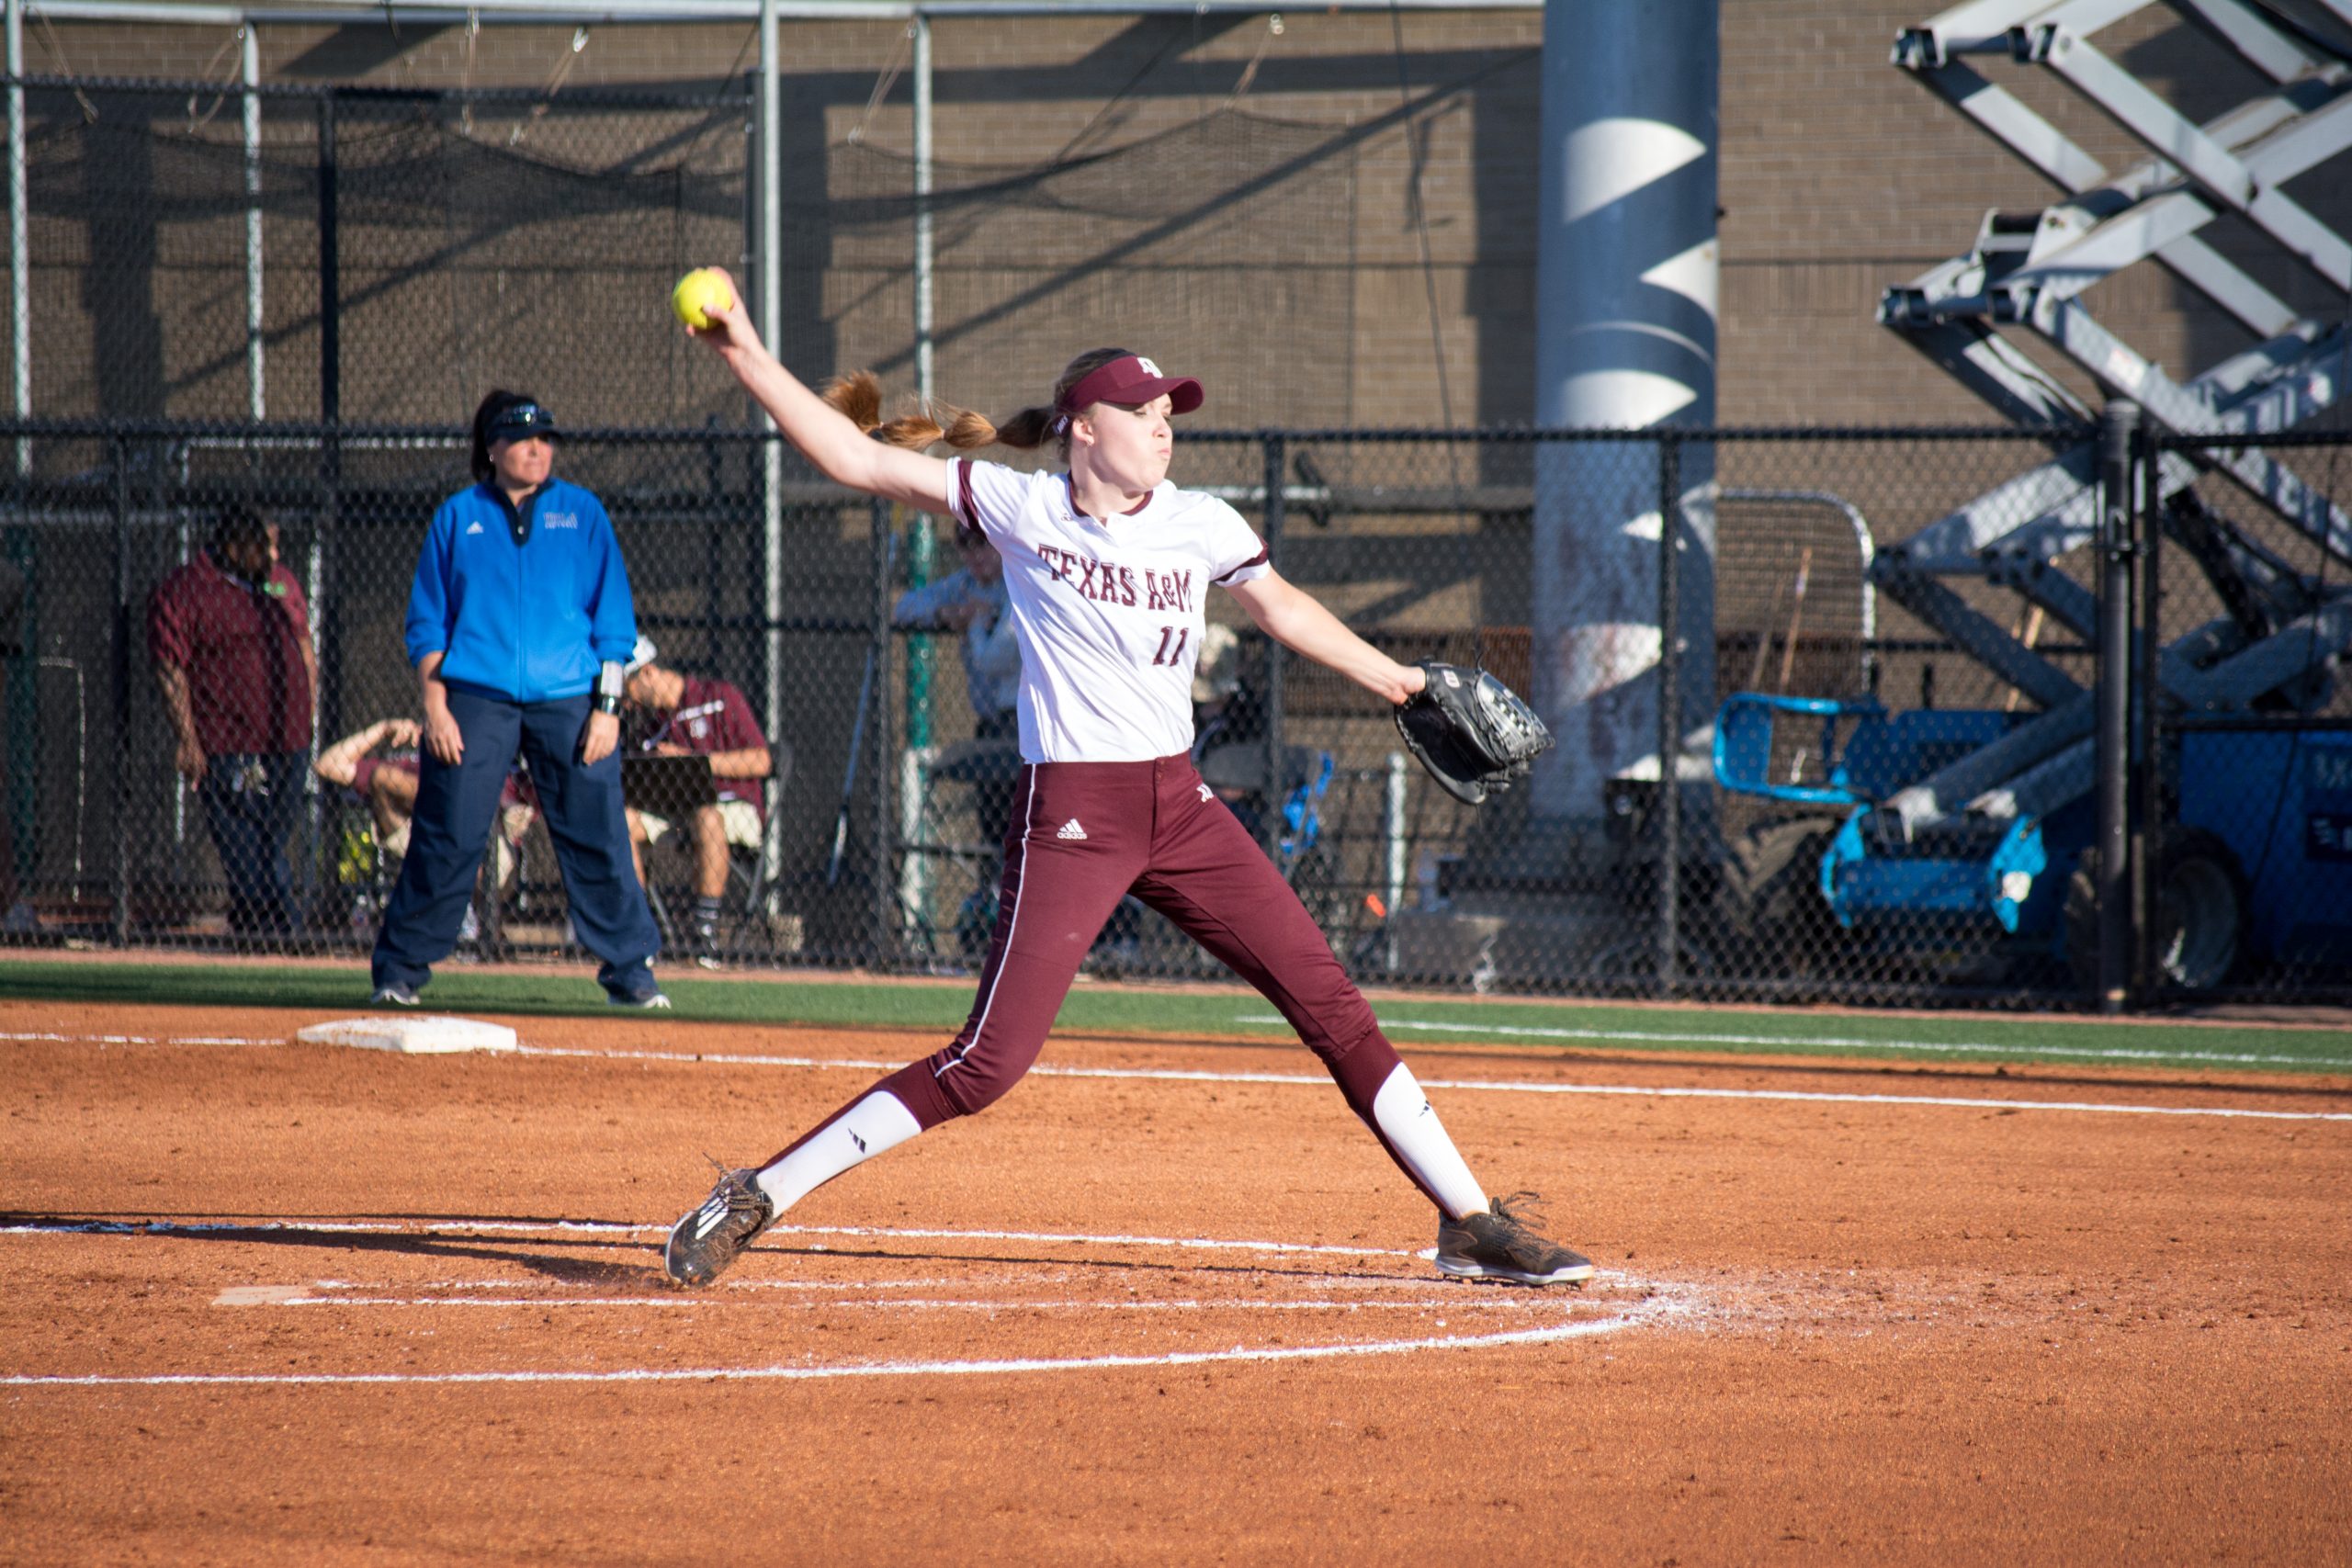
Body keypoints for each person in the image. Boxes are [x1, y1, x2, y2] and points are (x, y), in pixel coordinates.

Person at [659, 271, 1592, 1291]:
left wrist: (1402, 682)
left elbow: (1282, 609)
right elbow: (848, 454)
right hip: (1074, 815)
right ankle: (755, 1193)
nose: (1164, 429)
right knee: (986, 1065)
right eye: (1142, 413)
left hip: (1180, 808)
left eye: (1168, 414)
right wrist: (740, 345)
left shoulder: (1199, 522)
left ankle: (1470, 1218)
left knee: (1331, 1003)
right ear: (1082, 429)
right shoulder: (1019, 506)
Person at [368, 390, 667, 1010]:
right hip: (476, 697)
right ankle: (399, 971)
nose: (538, 449)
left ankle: (632, 974)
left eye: (545, 439)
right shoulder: (457, 517)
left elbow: (614, 622)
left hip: (571, 700)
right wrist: (436, 705)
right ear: (492, 447)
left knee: (598, 832)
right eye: (522, 438)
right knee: (448, 831)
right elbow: (427, 623)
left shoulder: (583, 514)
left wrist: (608, 709)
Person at [146, 505, 317, 937]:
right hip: (231, 742)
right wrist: (188, 741)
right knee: (245, 840)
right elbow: (170, 669)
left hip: (288, 738)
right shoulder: (186, 591)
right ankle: (276, 929)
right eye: (260, 549)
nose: (270, 559)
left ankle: (256, 924)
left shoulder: (264, 591)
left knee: (271, 838)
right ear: (233, 548)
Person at [619, 637, 778, 965]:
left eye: (628, 690)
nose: (628, 704)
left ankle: (704, 932)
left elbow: (761, 761)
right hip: (672, 810)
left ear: (647, 673)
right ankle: (637, 930)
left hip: (731, 806)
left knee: (706, 815)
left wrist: (692, 762)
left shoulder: (719, 696)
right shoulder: (649, 728)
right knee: (620, 821)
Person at [892, 518, 1023, 853]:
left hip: (1023, 723)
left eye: (983, 544)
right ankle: (991, 896)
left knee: (1021, 823)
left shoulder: (1019, 583)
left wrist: (977, 622)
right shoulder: (965, 585)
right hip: (991, 723)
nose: (975, 555)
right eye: (965, 545)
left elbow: (993, 659)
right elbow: (904, 608)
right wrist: (945, 614)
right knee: (991, 824)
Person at [315, 716, 536, 897]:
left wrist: (513, 811)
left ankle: (477, 925)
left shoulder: (503, 769)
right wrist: (382, 729)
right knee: (383, 776)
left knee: (493, 851)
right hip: (424, 837)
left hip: (484, 844)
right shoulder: (410, 764)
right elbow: (327, 765)